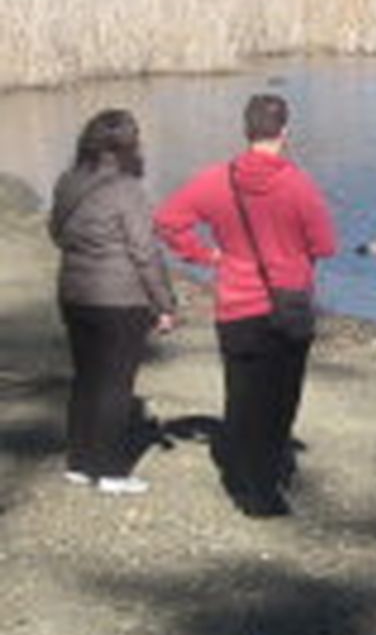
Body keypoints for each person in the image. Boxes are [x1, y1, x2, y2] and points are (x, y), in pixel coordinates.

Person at [156, 93, 337, 517]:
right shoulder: (298, 184)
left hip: (235, 303)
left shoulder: (215, 179)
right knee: (279, 400)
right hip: (287, 305)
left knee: (241, 396)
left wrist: (207, 256)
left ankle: (243, 478)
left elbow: (167, 221)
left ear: (246, 130)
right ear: (285, 132)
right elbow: (325, 244)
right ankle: (262, 487)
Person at [49, 109, 178, 495]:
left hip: (74, 292)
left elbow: (56, 231)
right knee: (116, 384)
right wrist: (165, 303)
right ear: (130, 146)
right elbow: (144, 253)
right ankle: (110, 471)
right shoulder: (128, 189)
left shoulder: (68, 181)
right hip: (119, 299)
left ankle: (79, 462)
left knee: (86, 377)